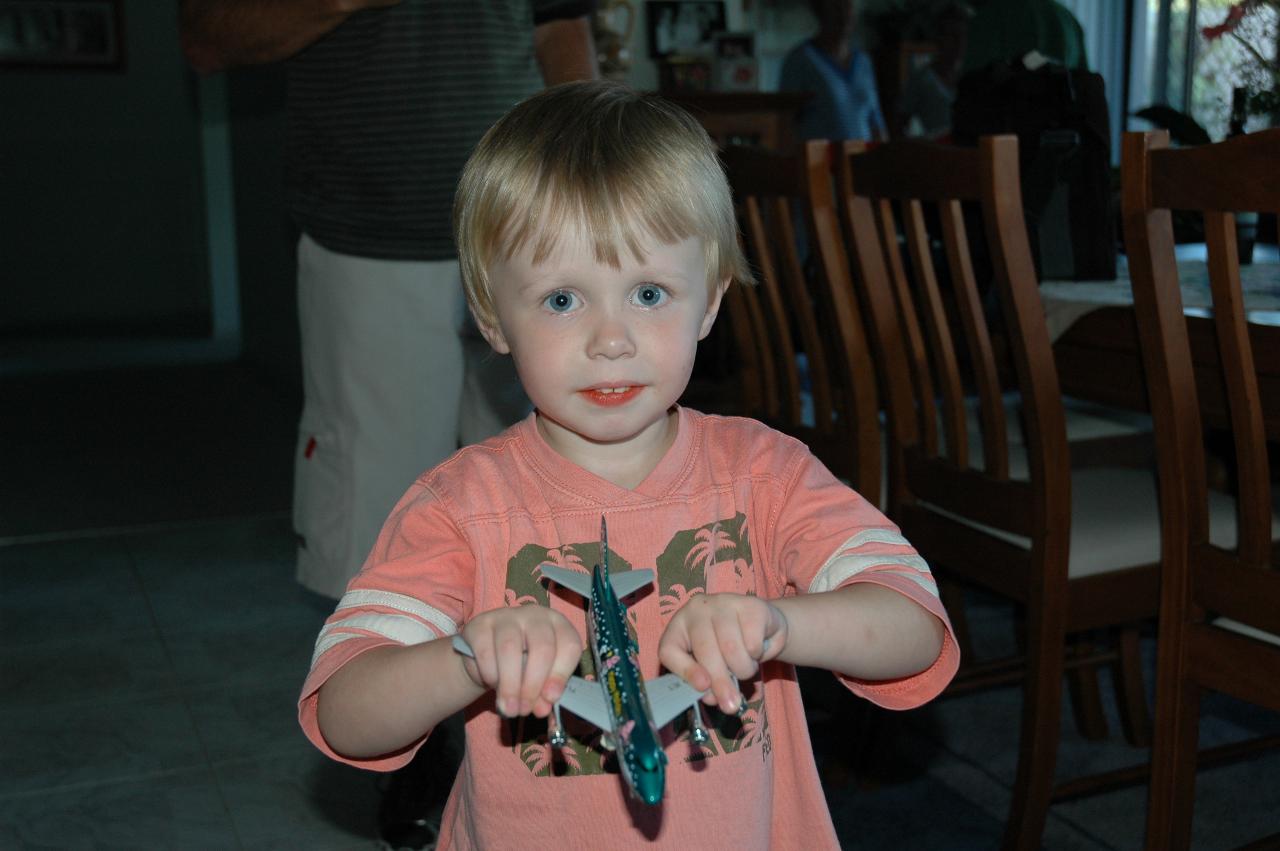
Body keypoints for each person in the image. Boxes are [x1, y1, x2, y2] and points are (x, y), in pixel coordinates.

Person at [297, 80, 959, 849]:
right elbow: (343, 709)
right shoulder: (456, 505)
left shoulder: (767, 474)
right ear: (490, 316)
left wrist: (779, 623)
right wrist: (466, 656)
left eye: (648, 291)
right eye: (561, 300)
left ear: (709, 302)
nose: (611, 339)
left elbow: (916, 627)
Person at [178, 3, 597, 848]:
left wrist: (595, 170)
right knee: (378, 506)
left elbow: (561, 31)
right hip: (365, 232)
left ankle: (553, 712)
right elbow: (207, 36)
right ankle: (415, 747)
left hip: (524, 229)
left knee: (558, 492)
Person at [779, 0, 886, 141]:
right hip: (819, 160)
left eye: (848, 7)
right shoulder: (801, 60)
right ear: (821, 11)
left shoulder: (863, 62)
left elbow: (876, 121)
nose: (844, 15)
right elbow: (784, 122)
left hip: (862, 159)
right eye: (836, 8)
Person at [897, 0, 973, 140]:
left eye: (963, 36)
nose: (959, 43)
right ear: (939, 38)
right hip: (937, 152)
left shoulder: (972, 77)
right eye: (953, 36)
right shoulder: (921, 79)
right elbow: (900, 123)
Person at [961, 0, 1088, 73]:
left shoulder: (993, 14)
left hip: (1007, 114)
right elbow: (1083, 85)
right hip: (1061, 115)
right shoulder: (1068, 20)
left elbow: (972, 84)